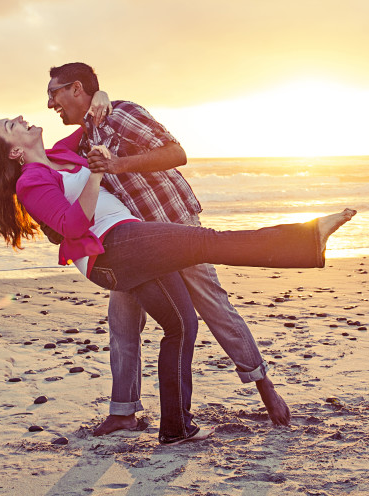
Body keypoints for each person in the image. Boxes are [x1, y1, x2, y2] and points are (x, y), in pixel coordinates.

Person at [0, 116, 355, 444]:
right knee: (207, 242)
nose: (20, 118)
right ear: (13, 152)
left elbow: (91, 120)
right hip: (112, 250)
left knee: (182, 325)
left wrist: (101, 96)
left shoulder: (58, 154)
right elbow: (71, 225)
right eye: (11, 125)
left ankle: (175, 428)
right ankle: (307, 239)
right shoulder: (31, 180)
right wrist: (96, 175)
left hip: (128, 243)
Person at [45, 62, 295, 436]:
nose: (51, 104)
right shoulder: (81, 141)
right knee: (122, 323)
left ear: (76, 88)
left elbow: (176, 153)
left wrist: (117, 163)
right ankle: (123, 412)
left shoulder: (124, 113)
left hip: (177, 226)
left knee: (214, 308)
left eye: (54, 94)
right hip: (137, 245)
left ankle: (263, 385)